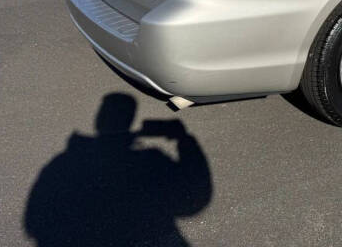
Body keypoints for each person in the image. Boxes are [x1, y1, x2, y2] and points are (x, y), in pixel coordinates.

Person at [24, 93, 212, 246]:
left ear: (98, 119)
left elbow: (33, 221)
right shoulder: (151, 160)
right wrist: (183, 139)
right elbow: (194, 198)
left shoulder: (64, 162)